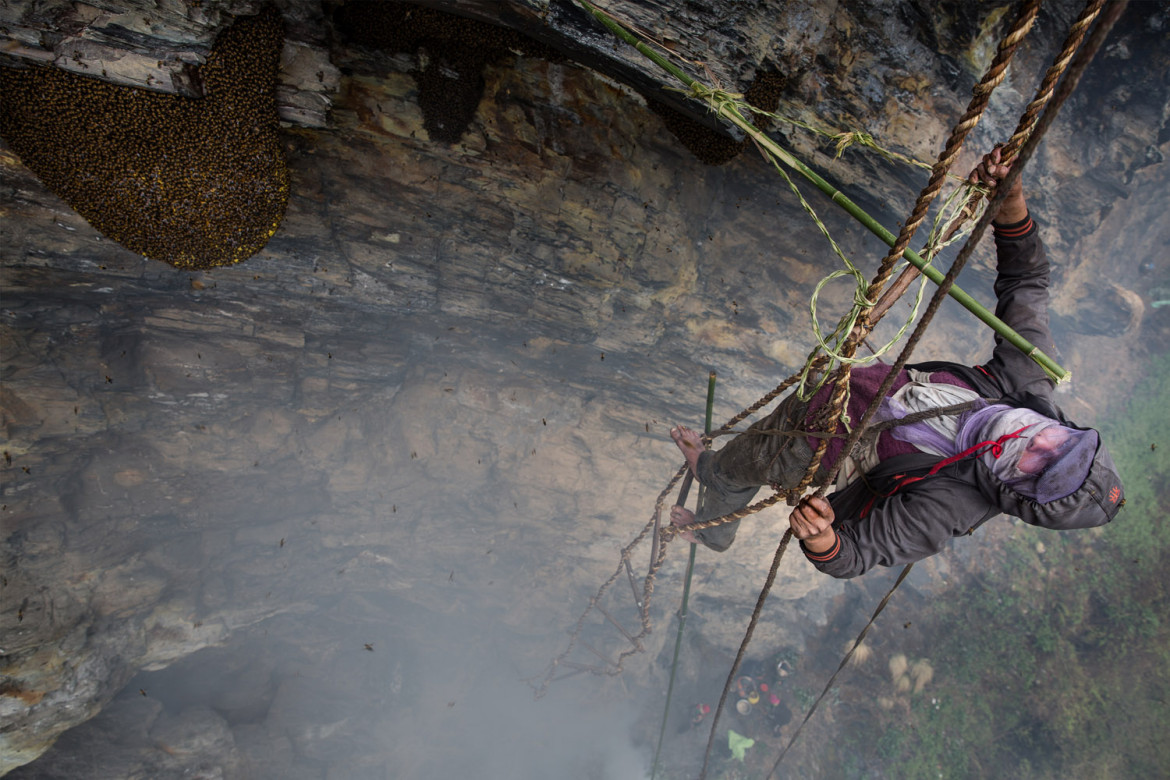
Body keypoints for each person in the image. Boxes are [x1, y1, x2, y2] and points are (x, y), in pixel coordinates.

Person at [668, 148, 1125, 578]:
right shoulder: (1027, 386)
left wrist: (823, 540)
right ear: (1069, 429)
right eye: (1060, 441)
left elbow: (856, 557)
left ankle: (712, 526)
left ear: (1021, 493)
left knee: (730, 470)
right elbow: (1026, 284)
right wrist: (1010, 201)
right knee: (754, 441)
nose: (1036, 442)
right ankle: (714, 491)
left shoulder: (952, 506)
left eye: (1040, 467)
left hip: (810, 448)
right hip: (838, 390)